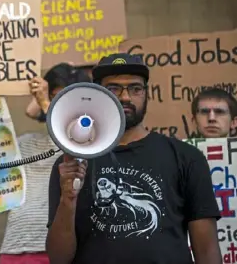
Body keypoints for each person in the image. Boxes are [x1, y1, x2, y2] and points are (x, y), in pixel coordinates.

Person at [45, 53, 221, 264]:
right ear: (98, 95)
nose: (126, 97)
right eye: (114, 89)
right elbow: (58, 258)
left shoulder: (185, 157)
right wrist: (68, 199)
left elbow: (207, 250)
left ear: (147, 94)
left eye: (135, 88)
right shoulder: (71, 164)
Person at [0, 64, 91, 264]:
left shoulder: (85, 145)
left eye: (64, 99)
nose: (56, 103)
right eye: (54, 96)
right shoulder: (26, 142)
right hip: (14, 248)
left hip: (54, 251)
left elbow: (68, 135)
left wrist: (44, 100)